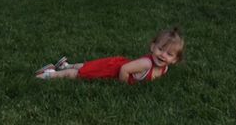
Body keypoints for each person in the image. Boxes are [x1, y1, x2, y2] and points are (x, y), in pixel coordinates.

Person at [35, 28, 184, 83]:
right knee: (81, 74)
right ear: (152, 47)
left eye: (169, 54)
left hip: (114, 64)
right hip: (112, 70)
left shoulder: (164, 68)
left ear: (175, 59)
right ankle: (49, 74)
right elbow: (125, 69)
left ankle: (64, 65)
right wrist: (123, 87)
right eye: (160, 49)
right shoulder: (147, 64)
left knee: (88, 66)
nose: (163, 55)